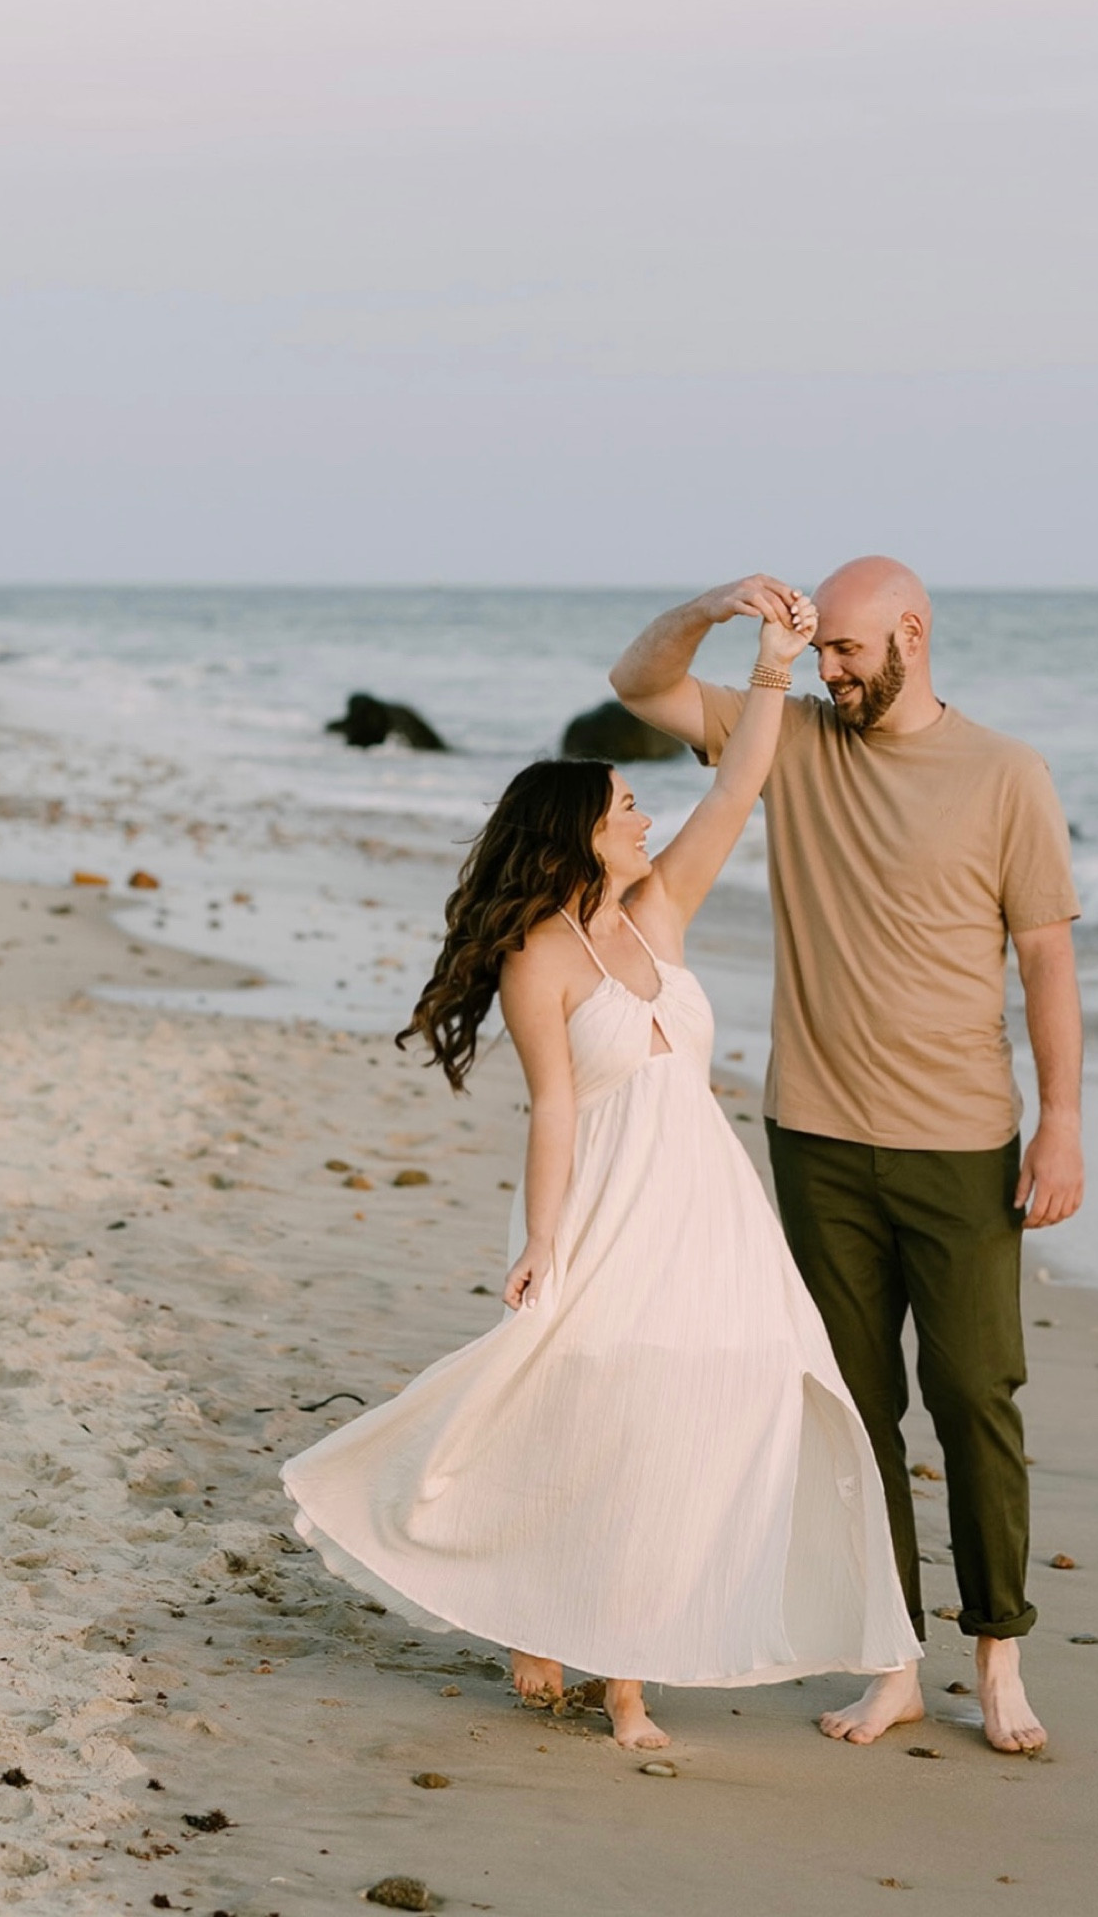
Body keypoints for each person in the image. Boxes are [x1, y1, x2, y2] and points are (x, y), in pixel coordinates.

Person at [281, 597, 923, 1754]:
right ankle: (600, 1667)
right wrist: (544, 1238)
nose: (644, 814)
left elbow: (738, 789)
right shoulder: (539, 951)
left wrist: (771, 667)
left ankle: (604, 1640)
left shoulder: (656, 910)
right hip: (608, 1199)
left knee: (714, 1401)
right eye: (627, 806)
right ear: (579, 828)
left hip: (710, 1201)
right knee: (589, 1405)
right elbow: (557, 1105)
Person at [609, 558, 1084, 1755]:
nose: (829, 671)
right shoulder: (791, 741)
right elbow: (637, 681)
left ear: (911, 635)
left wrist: (1063, 1118)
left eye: (848, 653)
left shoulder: (1007, 774)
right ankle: (892, 1660)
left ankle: (999, 1655)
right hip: (816, 1134)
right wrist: (718, 606)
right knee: (855, 1410)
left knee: (976, 1396)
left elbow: (1044, 963)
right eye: (821, 652)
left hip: (964, 1140)